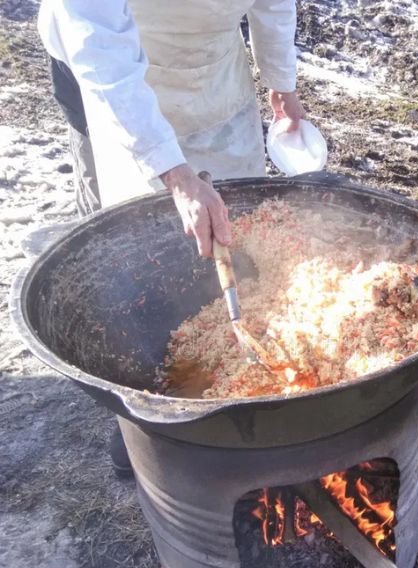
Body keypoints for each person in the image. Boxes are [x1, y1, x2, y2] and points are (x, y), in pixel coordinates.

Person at [37, 1, 308, 476]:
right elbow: (100, 52)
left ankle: (251, 354)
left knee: (233, 217)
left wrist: (282, 86)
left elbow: (274, 1)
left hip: (214, 65)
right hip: (108, 69)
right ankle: (140, 421)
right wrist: (175, 175)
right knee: (122, 243)